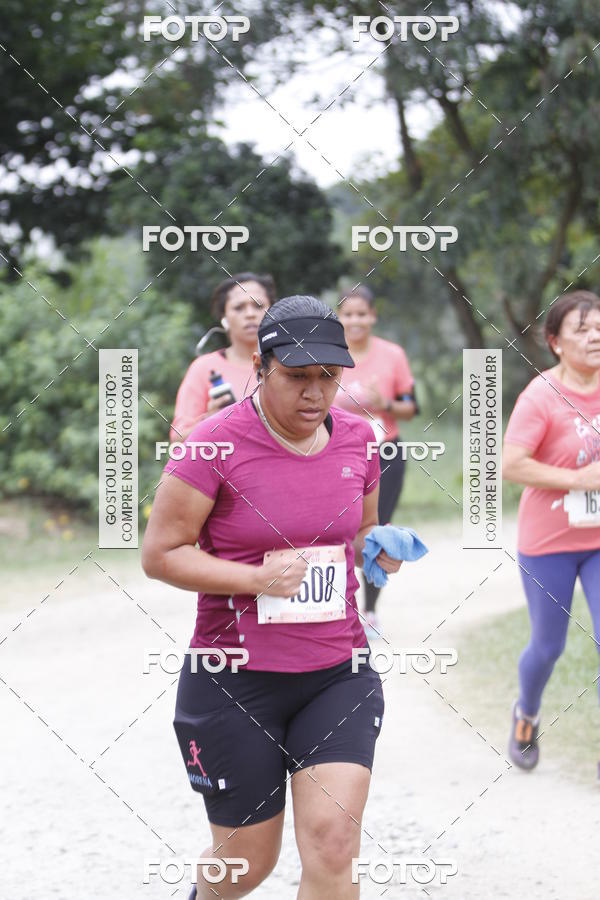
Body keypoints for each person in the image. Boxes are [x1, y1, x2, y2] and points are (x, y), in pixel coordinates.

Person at [142, 296, 405, 899]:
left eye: (329, 378)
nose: (315, 395)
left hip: (338, 670)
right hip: (235, 678)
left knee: (335, 843)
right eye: (297, 377)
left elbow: (358, 533)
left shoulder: (360, 439)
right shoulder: (211, 444)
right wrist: (254, 578)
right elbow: (161, 554)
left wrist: (378, 546)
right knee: (247, 866)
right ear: (260, 366)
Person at [503, 290, 600, 772]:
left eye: (599, 326)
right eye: (582, 329)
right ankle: (527, 714)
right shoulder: (542, 394)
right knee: (548, 646)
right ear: (556, 342)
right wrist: (577, 480)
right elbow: (511, 464)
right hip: (550, 542)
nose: (595, 336)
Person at [335, 285, 417, 638]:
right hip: (336, 452)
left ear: (373, 316)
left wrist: (382, 401)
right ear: (339, 318)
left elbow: (411, 407)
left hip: (384, 452)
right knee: (339, 530)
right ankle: (340, 607)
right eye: (348, 314)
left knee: (375, 529)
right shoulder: (329, 351)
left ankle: (369, 611)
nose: (355, 320)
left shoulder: (392, 354)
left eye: (361, 313)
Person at [170, 272, 276, 441]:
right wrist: (211, 419)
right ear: (224, 318)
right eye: (239, 307)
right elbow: (178, 439)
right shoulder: (203, 368)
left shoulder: (287, 364)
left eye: (258, 305)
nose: (250, 314)